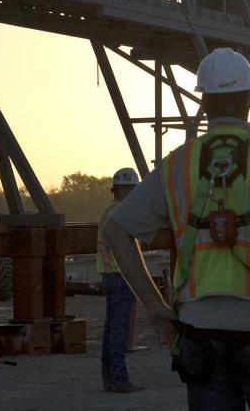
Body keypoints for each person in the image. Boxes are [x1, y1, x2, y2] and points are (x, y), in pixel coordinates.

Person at [103, 47, 250, 411]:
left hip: (199, 334)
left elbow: (116, 230)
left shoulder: (178, 162)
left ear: (204, 103)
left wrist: (155, 306)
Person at [97, 166, 145, 393]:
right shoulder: (119, 214)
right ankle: (119, 379)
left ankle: (109, 378)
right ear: (125, 189)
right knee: (119, 328)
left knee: (111, 328)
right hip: (120, 274)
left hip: (110, 274)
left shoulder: (109, 210)